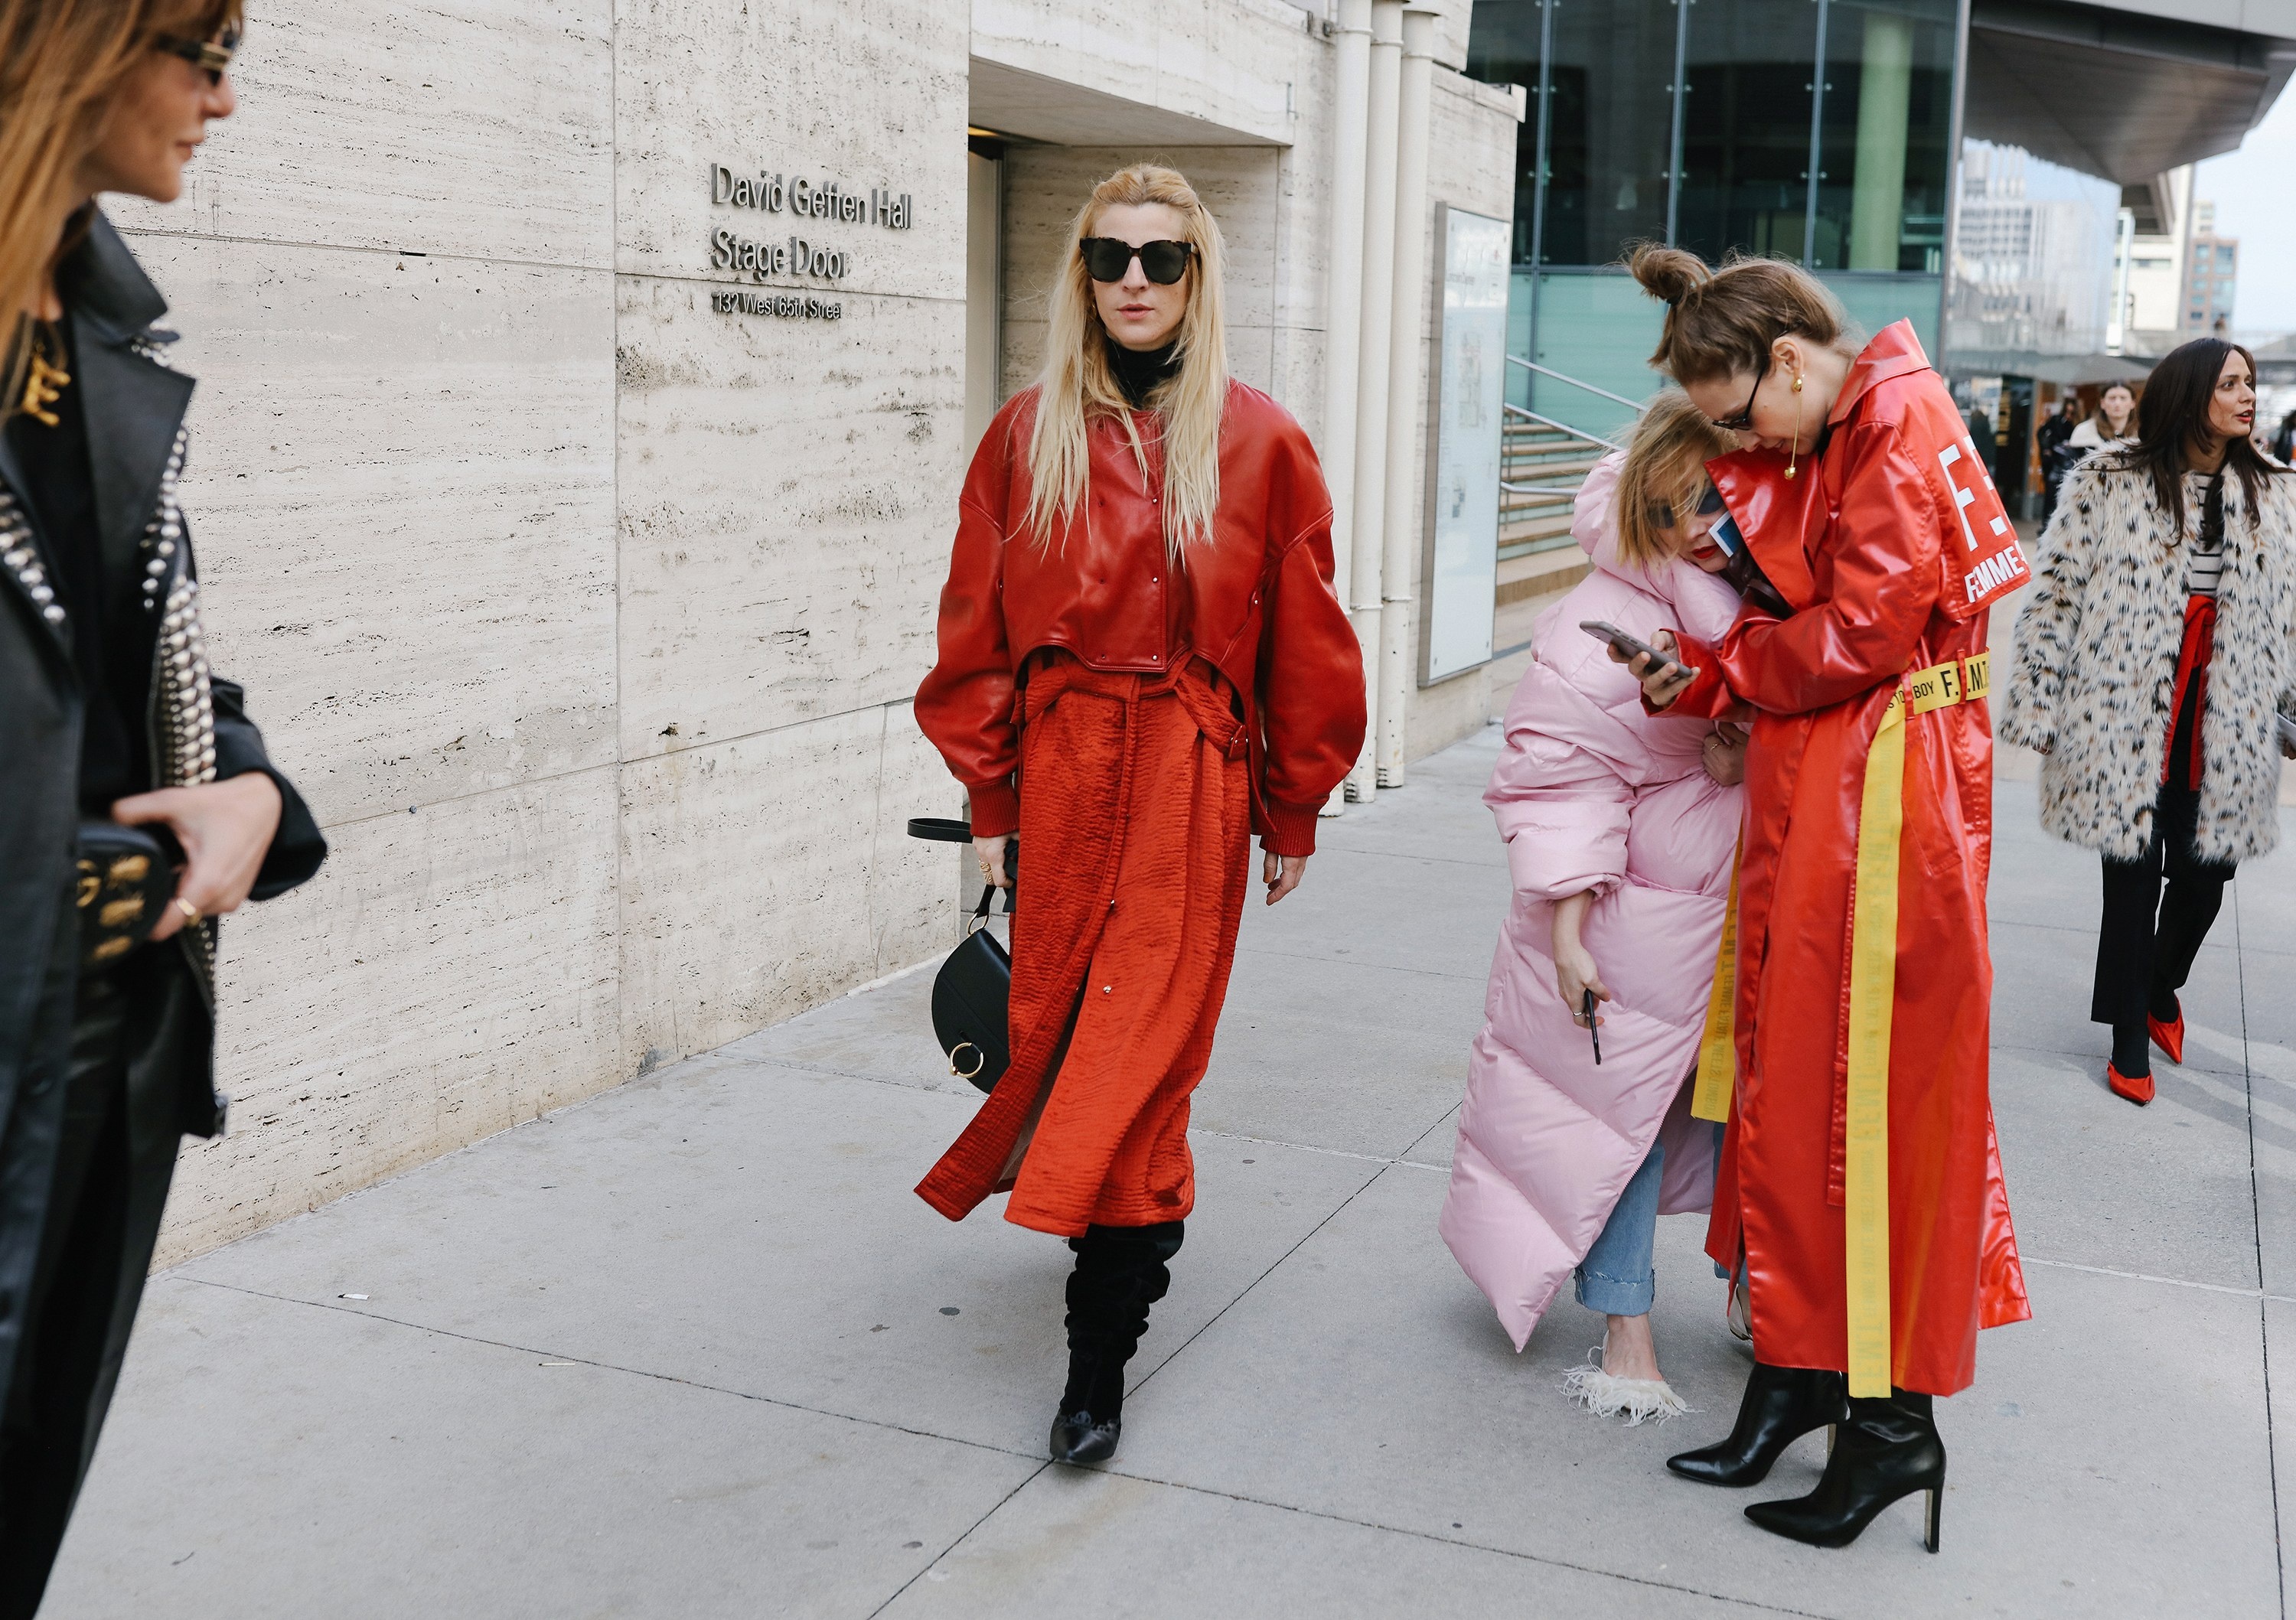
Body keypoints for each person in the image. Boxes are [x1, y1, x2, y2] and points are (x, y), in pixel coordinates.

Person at [912, 164, 1364, 1466]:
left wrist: (1293, 805)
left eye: (1162, 258)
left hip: (1189, 773)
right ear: (1083, 275)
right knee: (1061, 1035)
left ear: (1197, 275)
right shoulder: (1026, 435)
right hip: (1061, 775)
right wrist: (991, 794)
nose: (1133, 280)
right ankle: (1092, 1234)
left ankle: (1096, 1359)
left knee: (1147, 1058)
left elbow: (1309, 640)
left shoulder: (1262, 441)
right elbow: (974, 632)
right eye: (1110, 256)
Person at [1616, 246, 2030, 1552]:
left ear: (1787, 360)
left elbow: (1862, 632)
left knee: (1865, 1102)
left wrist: (1730, 658)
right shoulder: (1856, 420)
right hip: (1849, 780)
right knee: (1798, 1086)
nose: (1746, 444)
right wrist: (1731, 665)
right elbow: (1848, 626)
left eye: (1741, 415)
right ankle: (1800, 1373)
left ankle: (1888, 1426)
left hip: (1885, 798)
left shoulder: (1891, 420)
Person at [0, 5, 326, 1609]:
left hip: (107, 1042)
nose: (224, 98)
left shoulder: (90, 337)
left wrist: (250, 787)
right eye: (204, 46)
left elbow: (136, 650)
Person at [1438, 393, 1751, 1423]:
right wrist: (1569, 935)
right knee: (1627, 1117)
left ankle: (1760, 1287)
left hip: (1757, 893)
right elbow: (1559, 777)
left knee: (1757, 1107)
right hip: (1642, 905)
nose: (1701, 526)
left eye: (1716, 500)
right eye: (1676, 507)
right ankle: (1626, 1321)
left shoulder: (1772, 585)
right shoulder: (1602, 615)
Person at [2001, 340, 2296, 1105]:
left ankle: (2162, 981)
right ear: (2190, 393)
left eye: (2250, 382)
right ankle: (2128, 1030)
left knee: (2207, 876)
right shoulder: (2108, 479)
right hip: (2123, 704)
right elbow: (2056, 593)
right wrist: (2037, 697)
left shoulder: (2276, 490)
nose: (2247, 395)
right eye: (2230, 383)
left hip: (2226, 708)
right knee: (2130, 874)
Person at [2036, 393, 2078, 523]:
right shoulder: (2056, 420)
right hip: (2054, 462)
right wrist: (2046, 449)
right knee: (2050, 494)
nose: (2068, 415)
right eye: (2067, 411)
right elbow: (2041, 432)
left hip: (2071, 464)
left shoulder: (2078, 425)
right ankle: (2046, 523)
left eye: (2072, 412)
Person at [2067, 380, 2138, 455]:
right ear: (2102, 403)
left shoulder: (2142, 432)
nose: (2117, 403)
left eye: (2123, 398)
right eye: (2112, 398)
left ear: (2132, 403)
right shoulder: (2084, 431)